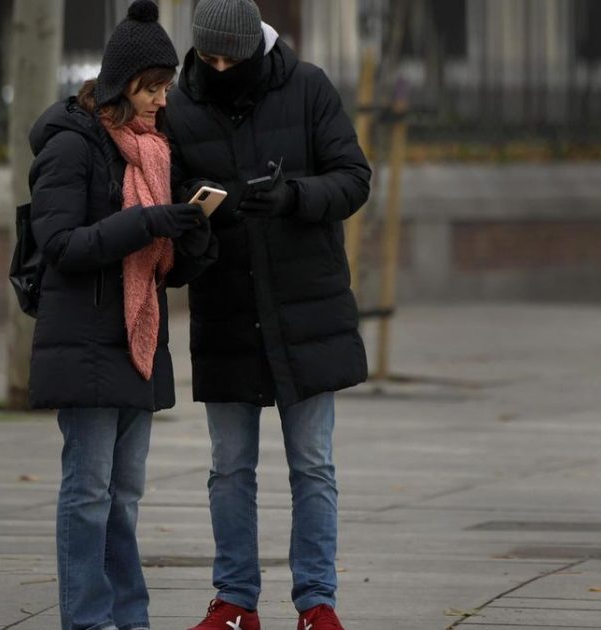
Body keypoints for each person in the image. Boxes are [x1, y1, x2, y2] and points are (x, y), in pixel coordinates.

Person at [163, 1, 371, 629]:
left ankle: (317, 603)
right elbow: (168, 196)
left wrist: (293, 197)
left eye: (233, 57)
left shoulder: (307, 87)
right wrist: (199, 217)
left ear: (257, 46)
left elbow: (354, 178)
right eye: (210, 57)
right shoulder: (179, 105)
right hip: (226, 310)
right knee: (229, 468)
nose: (221, 67)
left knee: (313, 464)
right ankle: (234, 600)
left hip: (305, 310)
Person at [26, 2, 214, 629]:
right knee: (88, 495)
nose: (163, 100)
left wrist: (189, 235)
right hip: (84, 342)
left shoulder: (154, 153)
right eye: (154, 87)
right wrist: (144, 223)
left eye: (166, 87)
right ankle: (88, 619)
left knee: (124, 497)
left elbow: (162, 266)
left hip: (137, 342)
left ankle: (128, 616)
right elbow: (60, 246)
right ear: (122, 85)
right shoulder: (70, 146)